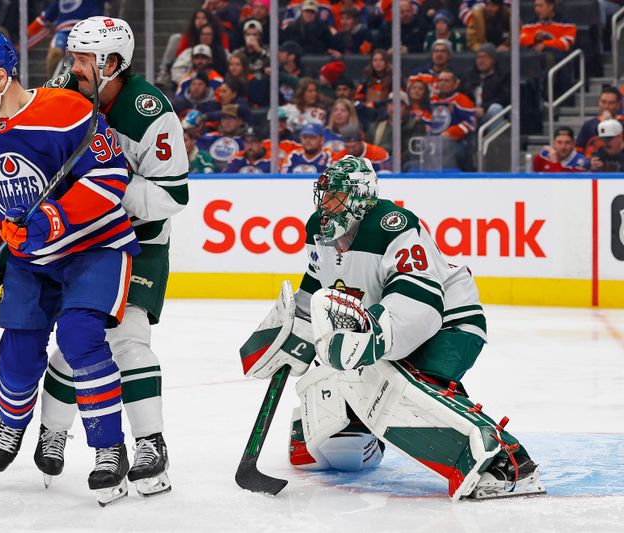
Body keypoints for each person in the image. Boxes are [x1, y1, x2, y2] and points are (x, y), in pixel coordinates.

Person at [240, 155, 544, 500]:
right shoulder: (318, 229)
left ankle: (507, 462)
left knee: (404, 387)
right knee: (342, 447)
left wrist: (374, 339)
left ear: (360, 197)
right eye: (324, 194)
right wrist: (292, 338)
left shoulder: (392, 224)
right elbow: (316, 288)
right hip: (384, 327)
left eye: (335, 195)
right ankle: (356, 424)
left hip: (449, 323)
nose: (326, 203)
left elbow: (422, 303)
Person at [0, 32, 140, 506]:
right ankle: (11, 424)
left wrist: (54, 217)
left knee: (79, 339)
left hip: (95, 247)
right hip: (31, 261)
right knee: (16, 356)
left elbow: (110, 176)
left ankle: (108, 448)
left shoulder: (67, 110)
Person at [41, 16, 189, 497]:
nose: (74, 66)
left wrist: (104, 192)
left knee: (127, 341)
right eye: (75, 56)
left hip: (138, 242)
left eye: (84, 59)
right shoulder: (63, 93)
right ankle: (54, 431)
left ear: (112, 63)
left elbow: (171, 196)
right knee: (78, 343)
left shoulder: (150, 113)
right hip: (82, 240)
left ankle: (151, 444)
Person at [26, 0, 104, 78]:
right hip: (64, 32)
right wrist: (27, 33)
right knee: (55, 54)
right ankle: (52, 84)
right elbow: (46, 17)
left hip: (87, 31)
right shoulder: (59, 1)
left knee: (83, 59)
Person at [576, 86, 624, 157]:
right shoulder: (589, 125)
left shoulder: (622, 123)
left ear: (618, 105)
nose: (606, 106)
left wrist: (611, 123)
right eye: (603, 102)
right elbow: (578, 150)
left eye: (611, 103)